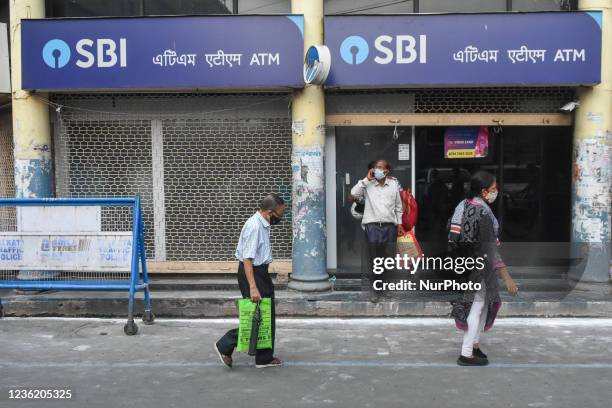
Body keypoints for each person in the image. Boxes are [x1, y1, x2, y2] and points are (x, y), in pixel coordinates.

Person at [448, 171, 518, 366]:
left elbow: (453, 237)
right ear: (483, 191)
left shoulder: (463, 205)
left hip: (466, 266)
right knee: (477, 308)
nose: (496, 192)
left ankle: (475, 346)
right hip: (479, 270)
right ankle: (466, 353)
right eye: (494, 189)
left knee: (484, 307)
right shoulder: (484, 213)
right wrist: (507, 277)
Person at [214, 193, 285, 369]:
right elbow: (247, 259)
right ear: (269, 212)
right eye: (279, 214)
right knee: (256, 317)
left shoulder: (262, 223)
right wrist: (253, 287)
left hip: (260, 273)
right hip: (252, 273)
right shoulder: (254, 227)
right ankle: (225, 344)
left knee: (265, 315)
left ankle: (264, 357)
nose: (280, 218)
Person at [350, 159, 404, 302]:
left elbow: (399, 207)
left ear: (387, 171)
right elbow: (353, 194)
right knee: (374, 260)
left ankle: (384, 288)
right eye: (376, 167)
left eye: (380, 167)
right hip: (372, 227)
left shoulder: (393, 185)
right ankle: (375, 290)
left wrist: (399, 224)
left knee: (387, 260)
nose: (377, 170)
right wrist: (366, 179)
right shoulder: (367, 184)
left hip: (390, 227)